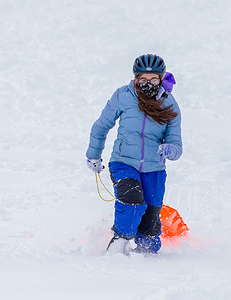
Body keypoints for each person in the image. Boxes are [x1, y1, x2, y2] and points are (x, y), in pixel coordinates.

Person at [85, 54, 183, 255]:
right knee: (131, 198)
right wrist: (94, 155)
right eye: (143, 79)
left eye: (153, 79)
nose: (148, 84)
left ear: (161, 79)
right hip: (123, 162)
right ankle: (119, 244)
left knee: (149, 226)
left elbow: (176, 143)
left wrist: (169, 149)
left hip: (154, 168)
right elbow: (101, 126)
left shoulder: (169, 104)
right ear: (136, 78)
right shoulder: (123, 96)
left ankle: (146, 260)